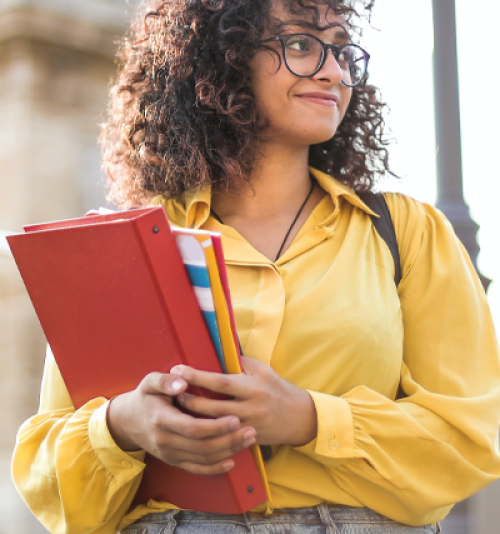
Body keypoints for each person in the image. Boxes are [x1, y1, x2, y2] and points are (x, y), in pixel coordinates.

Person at [12, 0, 500, 533]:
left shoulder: (407, 233)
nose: (334, 71)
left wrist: (310, 419)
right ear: (224, 60)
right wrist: (123, 426)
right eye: (300, 45)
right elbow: (46, 473)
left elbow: (473, 435)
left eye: (341, 50)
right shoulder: (130, 245)